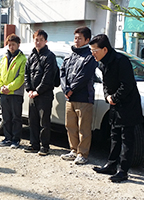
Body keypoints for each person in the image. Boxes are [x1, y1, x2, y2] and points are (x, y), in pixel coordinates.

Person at [89, 34, 143, 182]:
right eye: (91, 50)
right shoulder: (102, 63)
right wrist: (107, 96)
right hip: (114, 104)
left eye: (95, 50)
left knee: (127, 138)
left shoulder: (121, 61)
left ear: (105, 49)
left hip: (128, 105)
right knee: (114, 135)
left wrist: (114, 97)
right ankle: (111, 165)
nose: (93, 53)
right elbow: (106, 84)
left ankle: (123, 170)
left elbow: (128, 84)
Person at [60, 27, 97, 164]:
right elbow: (62, 72)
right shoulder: (70, 55)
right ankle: (73, 150)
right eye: (75, 37)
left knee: (84, 128)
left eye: (80, 38)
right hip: (70, 97)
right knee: (70, 126)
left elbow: (84, 76)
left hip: (84, 97)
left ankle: (83, 153)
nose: (76, 40)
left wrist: (72, 89)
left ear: (87, 40)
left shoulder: (90, 56)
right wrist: (65, 88)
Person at [23, 30, 57, 156]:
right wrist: (29, 89)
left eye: (41, 40)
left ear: (46, 41)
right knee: (33, 121)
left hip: (44, 95)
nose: (38, 42)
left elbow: (48, 77)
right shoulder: (31, 56)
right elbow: (26, 74)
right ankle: (34, 144)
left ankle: (45, 146)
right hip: (33, 94)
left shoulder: (49, 56)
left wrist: (38, 91)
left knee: (44, 122)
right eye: (36, 39)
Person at [0, 34, 27, 148]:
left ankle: (16, 139)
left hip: (15, 93)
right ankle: (7, 138)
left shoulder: (22, 59)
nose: (11, 47)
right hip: (4, 93)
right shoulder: (4, 58)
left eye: (13, 44)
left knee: (16, 118)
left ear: (18, 45)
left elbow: (21, 77)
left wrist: (9, 87)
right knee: (6, 117)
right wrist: (1, 86)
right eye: (9, 45)